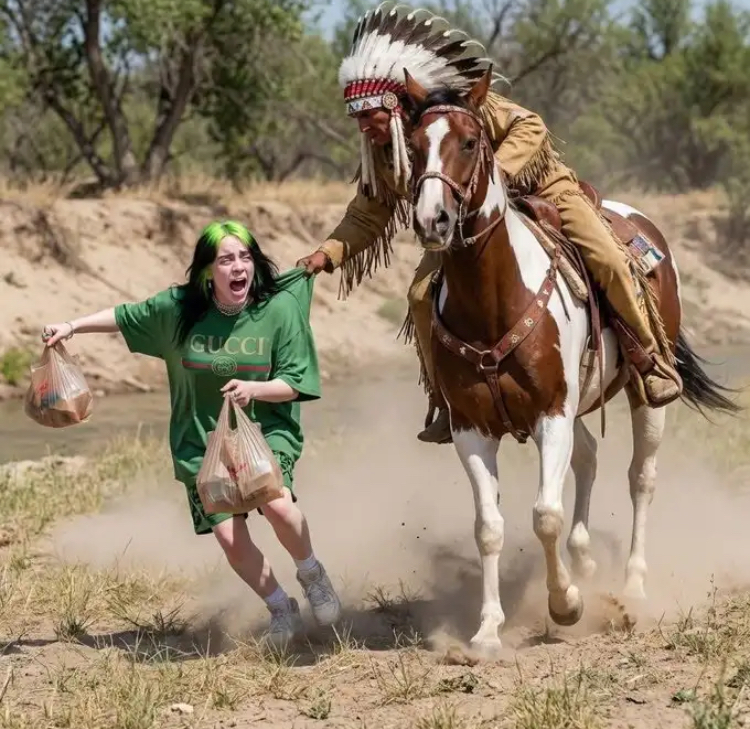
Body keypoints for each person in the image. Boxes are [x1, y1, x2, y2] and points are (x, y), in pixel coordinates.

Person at [297, 1, 683, 445]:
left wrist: (495, 174)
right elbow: (367, 213)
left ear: (395, 105)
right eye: (357, 118)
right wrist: (327, 253)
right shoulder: (386, 154)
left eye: (369, 116)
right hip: (464, 227)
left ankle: (647, 359)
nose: (363, 127)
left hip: (545, 191)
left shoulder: (459, 108)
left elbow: (531, 127)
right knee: (420, 295)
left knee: (610, 260)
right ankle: (446, 398)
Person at [42, 220, 342, 648]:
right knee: (229, 536)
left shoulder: (278, 309)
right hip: (201, 441)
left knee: (277, 505)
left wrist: (254, 389)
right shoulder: (179, 310)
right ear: (207, 271)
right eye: (226, 260)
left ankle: (312, 574)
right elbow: (125, 316)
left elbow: (295, 381)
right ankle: (281, 608)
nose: (238, 267)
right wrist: (70, 327)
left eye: (245, 257)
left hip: (265, 429)